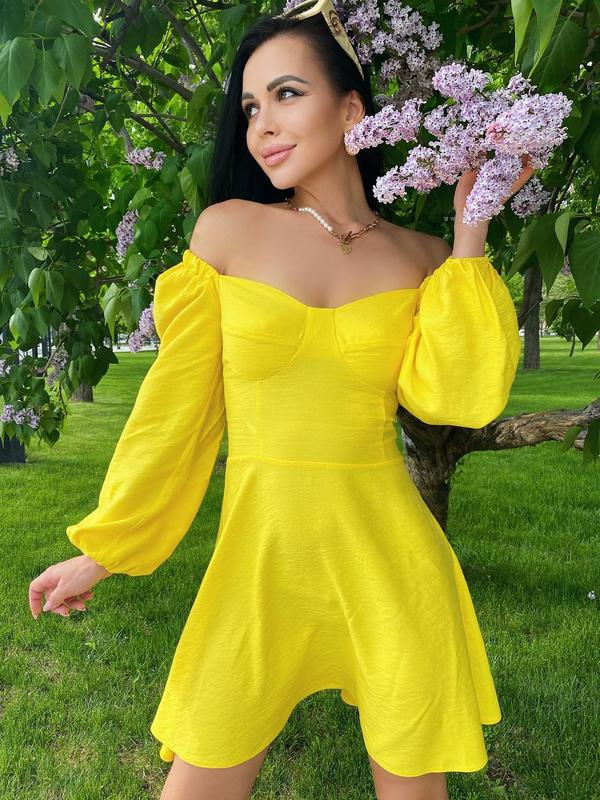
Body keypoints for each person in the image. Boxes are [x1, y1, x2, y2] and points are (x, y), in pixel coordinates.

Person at [28, 3, 531, 798]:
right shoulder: (227, 232)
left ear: (352, 109)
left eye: (286, 94)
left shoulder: (426, 258)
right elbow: (176, 418)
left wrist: (471, 237)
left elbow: (454, 399)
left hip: (391, 564)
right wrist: (106, 549)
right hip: (259, 562)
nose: (261, 124)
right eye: (251, 105)